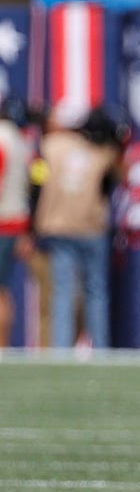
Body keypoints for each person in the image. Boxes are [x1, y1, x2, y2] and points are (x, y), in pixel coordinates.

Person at [33, 100, 122, 350]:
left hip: (59, 226)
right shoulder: (103, 149)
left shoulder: (50, 145)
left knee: (62, 292)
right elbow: (115, 180)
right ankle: (101, 349)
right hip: (91, 227)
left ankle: (61, 350)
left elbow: (36, 184)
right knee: (96, 291)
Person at [0, 97, 30, 348]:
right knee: (4, 291)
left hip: (2, 222)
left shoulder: (2, 138)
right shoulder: (22, 142)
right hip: (17, 223)